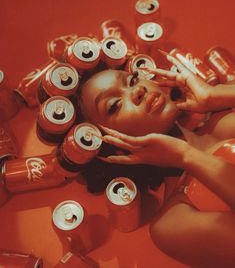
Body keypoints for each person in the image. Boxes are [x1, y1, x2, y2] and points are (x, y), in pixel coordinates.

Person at [77, 54, 235, 267]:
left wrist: (214, 95)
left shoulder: (224, 106)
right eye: (114, 105)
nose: (137, 91)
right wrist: (184, 156)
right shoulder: (173, 222)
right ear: (116, 149)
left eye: (132, 80)